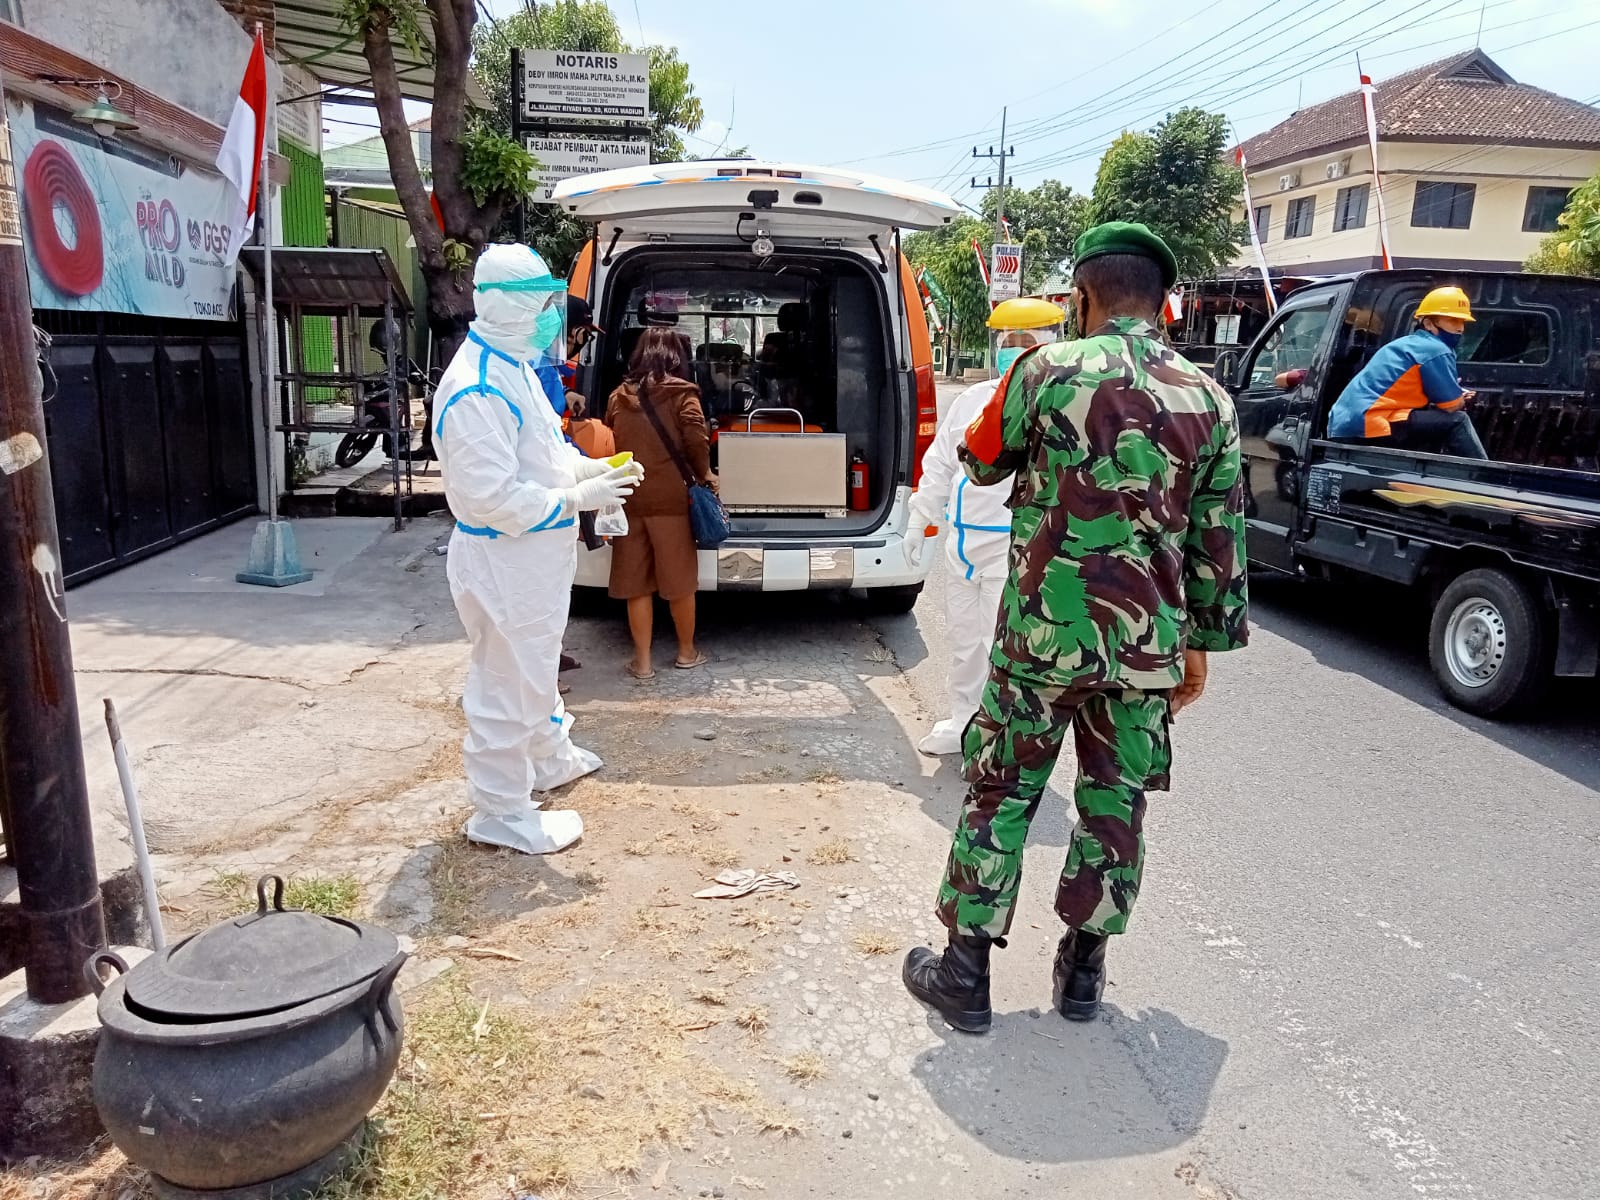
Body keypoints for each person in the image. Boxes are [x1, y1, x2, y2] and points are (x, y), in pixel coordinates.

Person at [901, 222, 1250, 1033]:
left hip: (1041, 641)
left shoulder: (1044, 370)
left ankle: (965, 975)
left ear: (1084, 297)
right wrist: (1197, 647)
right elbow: (1220, 541)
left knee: (1001, 792)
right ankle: (1084, 975)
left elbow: (984, 460)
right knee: (1114, 804)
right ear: (1163, 303)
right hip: (1146, 647)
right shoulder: (1210, 399)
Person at [434, 244, 644, 855]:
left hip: (531, 561)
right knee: (507, 687)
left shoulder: (516, 367)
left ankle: (550, 757)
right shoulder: (475, 389)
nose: (551, 316)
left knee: (537, 669)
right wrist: (580, 498)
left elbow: (544, 458)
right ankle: (500, 812)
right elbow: (491, 499)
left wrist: (589, 472)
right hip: (504, 558)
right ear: (501, 306)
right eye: (538, 303)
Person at [908, 300, 1066, 757]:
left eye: (1025, 341)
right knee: (963, 639)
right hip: (963, 541)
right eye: (1006, 341)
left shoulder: (1053, 402)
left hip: (1012, 542)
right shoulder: (973, 400)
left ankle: (1000, 735)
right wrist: (921, 516)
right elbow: (940, 461)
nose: (1013, 351)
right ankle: (963, 719)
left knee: (1002, 643)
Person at [604, 328, 714, 679]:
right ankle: (686, 652)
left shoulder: (617, 397)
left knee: (637, 584)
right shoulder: (684, 395)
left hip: (629, 497)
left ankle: (643, 663)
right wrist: (705, 474)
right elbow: (696, 439)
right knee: (679, 581)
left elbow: (611, 441)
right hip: (672, 501)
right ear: (677, 358)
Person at [1327, 286, 1487, 459]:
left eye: (1462, 322)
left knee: (1431, 423)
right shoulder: (1436, 349)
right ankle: (1486, 478)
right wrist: (1460, 397)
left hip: (1343, 423)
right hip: (1372, 420)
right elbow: (1451, 406)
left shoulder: (1406, 344)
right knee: (1458, 421)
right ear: (1428, 323)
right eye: (1452, 321)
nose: (1460, 328)